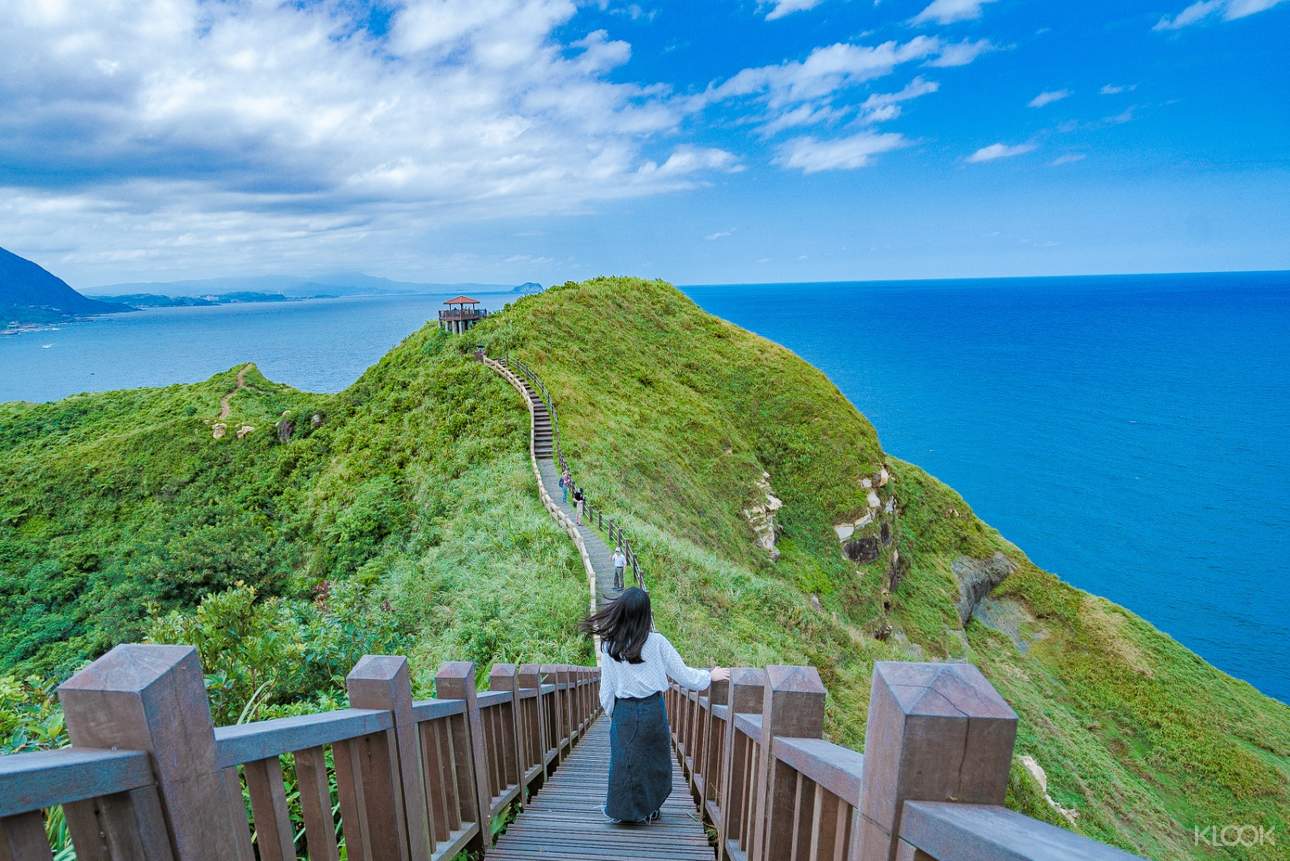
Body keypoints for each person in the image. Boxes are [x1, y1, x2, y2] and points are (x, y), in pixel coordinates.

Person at [580, 588, 728, 825]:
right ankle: (649, 808)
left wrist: (613, 715)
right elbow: (685, 676)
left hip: (624, 711)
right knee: (654, 761)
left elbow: (606, 689)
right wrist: (710, 675)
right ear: (645, 614)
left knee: (623, 760)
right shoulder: (657, 642)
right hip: (652, 709)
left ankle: (623, 810)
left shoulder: (608, 646)